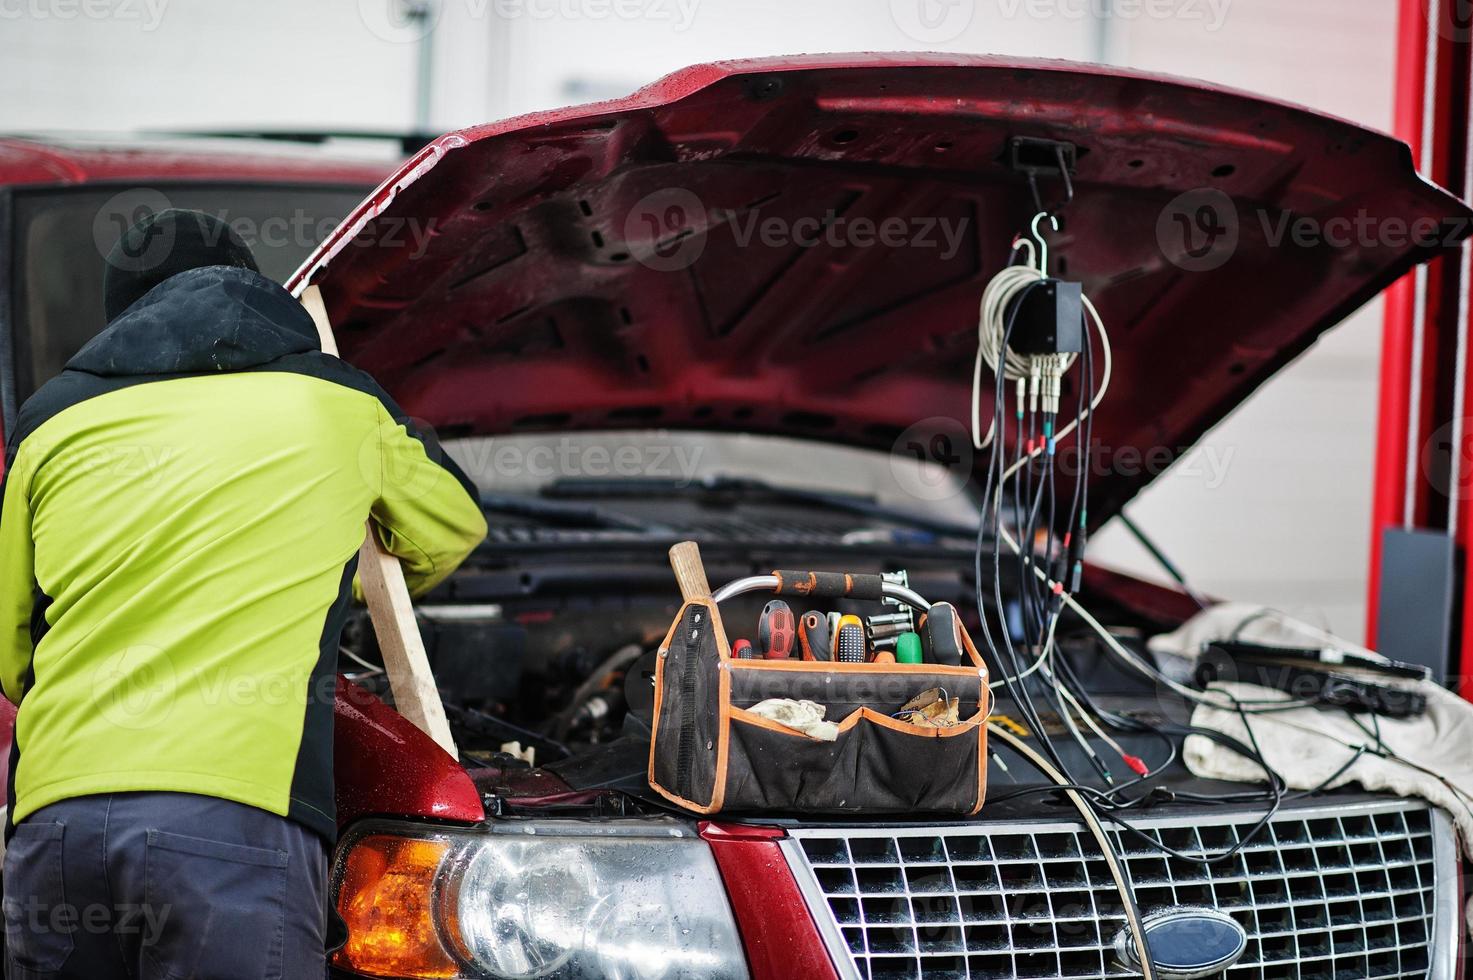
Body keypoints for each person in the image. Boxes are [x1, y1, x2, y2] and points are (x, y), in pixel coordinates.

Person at [0, 209, 487, 978]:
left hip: (56, 825)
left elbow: (15, 651)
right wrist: (301, 582)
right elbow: (449, 527)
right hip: (231, 826)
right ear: (256, 292)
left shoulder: (51, 422)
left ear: (122, 318)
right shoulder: (336, 403)